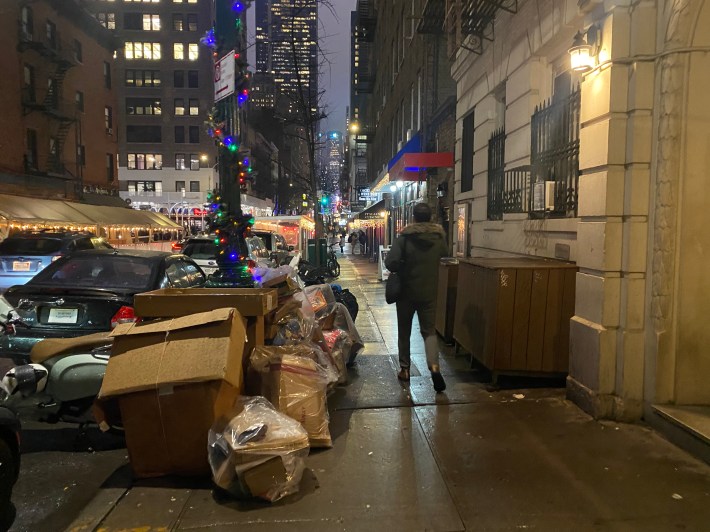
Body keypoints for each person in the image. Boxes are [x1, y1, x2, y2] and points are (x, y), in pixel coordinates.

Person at [385, 202, 448, 392]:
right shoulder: (438, 237)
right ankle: (434, 367)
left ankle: (405, 369)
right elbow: (445, 253)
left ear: (414, 217)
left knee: (404, 331)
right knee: (429, 331)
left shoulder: (404, 237)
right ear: (430, 217)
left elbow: (391, 263)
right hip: (429, 292)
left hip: (406, 292)